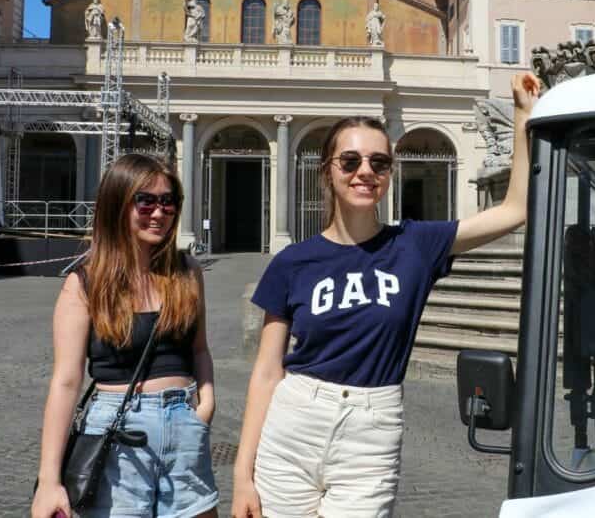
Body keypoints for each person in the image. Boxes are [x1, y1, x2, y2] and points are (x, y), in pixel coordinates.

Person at [231, 73, 540, 518]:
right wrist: (243, 474)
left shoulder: (416, 244)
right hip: (294, 422)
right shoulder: (293, 261)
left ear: (389, 174)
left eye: (379, 163)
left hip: (371, 430)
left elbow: (514, 210)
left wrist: (523, 116)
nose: (365, 172)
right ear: (328, 169)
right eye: (350, 160)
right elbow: (266, 373)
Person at [31, 154, 218, 518]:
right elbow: (66, 382)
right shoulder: (84, 284)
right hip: (117, 432)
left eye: (168, 201)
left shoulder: (186, 272)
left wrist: (206, 403)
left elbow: (199, 350)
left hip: (184, 423)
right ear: (118, 203)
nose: (159, 212)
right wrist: (49, 480)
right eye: (145, 201)